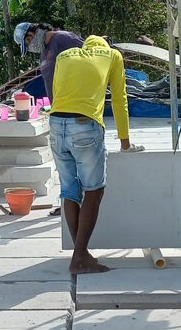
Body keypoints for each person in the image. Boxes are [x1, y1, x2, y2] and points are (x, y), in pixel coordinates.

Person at [49, 35, 132, 275]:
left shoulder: (64, 56)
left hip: (56, 124)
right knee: (94, 191)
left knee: (69, 191)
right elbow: (119, 99)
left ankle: (81, 254)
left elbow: (56, 93)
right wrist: (125, 142)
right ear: (106, 45)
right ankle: (79, 259)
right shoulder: (113, 56)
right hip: (84, 126)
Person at [14, 22, 85, 98]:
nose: (30, 49)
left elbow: (87, 61)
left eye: (27, 44)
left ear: (31, 34)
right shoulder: (43, 55)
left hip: (77, 98)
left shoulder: (63, 38)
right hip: (60, 104)